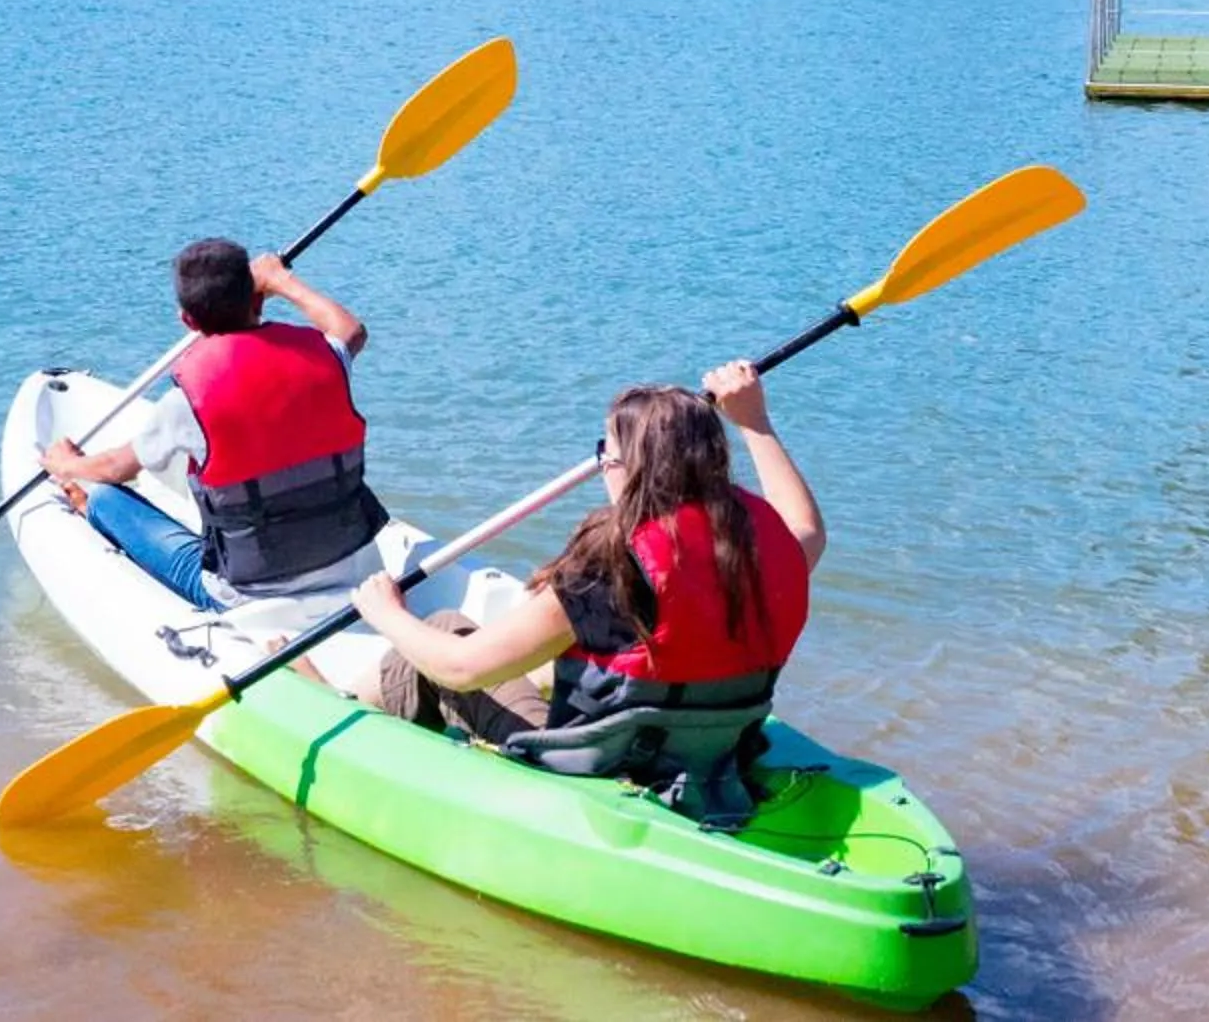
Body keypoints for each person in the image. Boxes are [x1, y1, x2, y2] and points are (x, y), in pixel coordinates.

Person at [342, 362, 824, 824]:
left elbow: (462, 668)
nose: (603, 467)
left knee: (441, 630)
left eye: (605, 452)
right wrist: (755, 423)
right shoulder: (761, 541)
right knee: (551, 661)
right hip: (712, 758)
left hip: (597, 770)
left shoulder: (616, 564)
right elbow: (805, 526)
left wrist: (385, 612)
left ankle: (330, 707)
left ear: (625, 465)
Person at [44, 238, 388, 612]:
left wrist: (66, 465)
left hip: (248, 596)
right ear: (257, 299)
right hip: (356, 568)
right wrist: (282, 280)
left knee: (107, 497)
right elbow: (350, 330)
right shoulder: (326, 359)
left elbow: (113, 469)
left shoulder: (187, 402)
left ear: (187, 321)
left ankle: (85, 506)